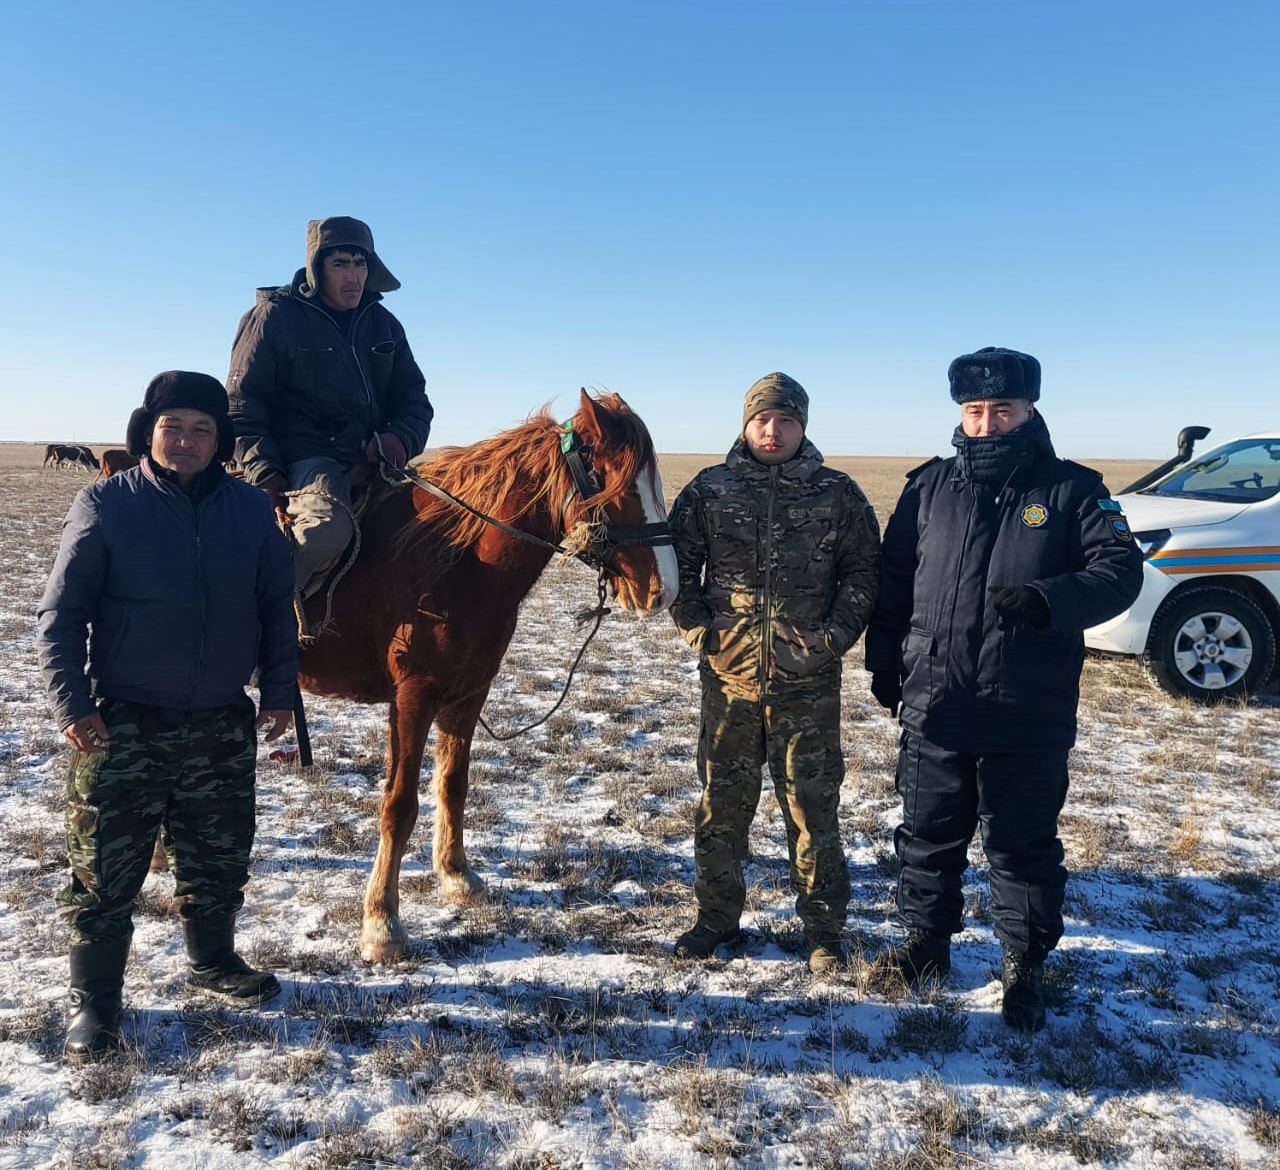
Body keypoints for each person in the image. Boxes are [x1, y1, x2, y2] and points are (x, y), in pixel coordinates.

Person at [864, 347, 1143, 1030]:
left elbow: (1119, 571)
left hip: (1027, 704)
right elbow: (894, 578)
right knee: (927, 834)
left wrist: (1049, 601)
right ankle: (925, 944)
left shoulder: (1073, 490)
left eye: (1002, 410)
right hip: (935, 699)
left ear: (1029, 409)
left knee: (1022, 844)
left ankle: (1024, 964)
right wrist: (883, 658)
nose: (987, 423)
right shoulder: (929, 487)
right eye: (975, 411)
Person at [37, 371, 299, 1062]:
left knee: (218, 855)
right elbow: (61, 614)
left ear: (220, 440)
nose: (186, 441)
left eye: (201, 429)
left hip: (219, 719)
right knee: (104, 867)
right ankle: (95, 1001)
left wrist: (278, 690)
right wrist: (73, 703)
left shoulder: (250, 510)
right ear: (147, 433)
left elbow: (276, 609)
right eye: (172, 427)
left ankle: (212, 961)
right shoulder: (106, 502)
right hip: (122, 720)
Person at [668, 373, 881, 973]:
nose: (773, 430)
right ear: (745, 424)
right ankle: (714, 919)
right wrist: (702, 634)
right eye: (762, 419)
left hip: (808, 687)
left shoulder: (836, 494)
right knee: (721, 807)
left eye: (786, 420)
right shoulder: (709, 490)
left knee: (813, 811)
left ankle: (823, 931)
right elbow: (677, 570)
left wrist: (832, 639)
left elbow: (864, 573)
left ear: (802, 426)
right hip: (729, 682)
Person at [227, 216, 434, 598]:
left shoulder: (384, 324)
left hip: (376, 461)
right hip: (307, 458)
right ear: (316, 268)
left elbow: (415, 399)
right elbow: (242, 408)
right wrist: (264, 471)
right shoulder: (275, 317)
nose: (353, 276)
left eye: (360, 263)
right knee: (325, 531)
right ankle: (258, 618)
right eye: (340, 264)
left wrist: (399, 439)